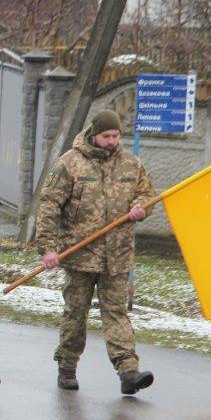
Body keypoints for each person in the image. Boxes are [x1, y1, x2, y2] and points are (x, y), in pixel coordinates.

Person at [36, 109, 156, 395]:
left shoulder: (130, 163)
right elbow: (49, 206)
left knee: (116, 313)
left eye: (116, 135)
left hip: (117, 254)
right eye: (106, 136)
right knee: (76, 314)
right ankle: (67, 367)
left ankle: (128, 370)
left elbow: (147, 193)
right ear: (94, 134)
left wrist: (141, 208)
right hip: (79, 256)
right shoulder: (70, 164)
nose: (112, 141)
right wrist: (47, 248)